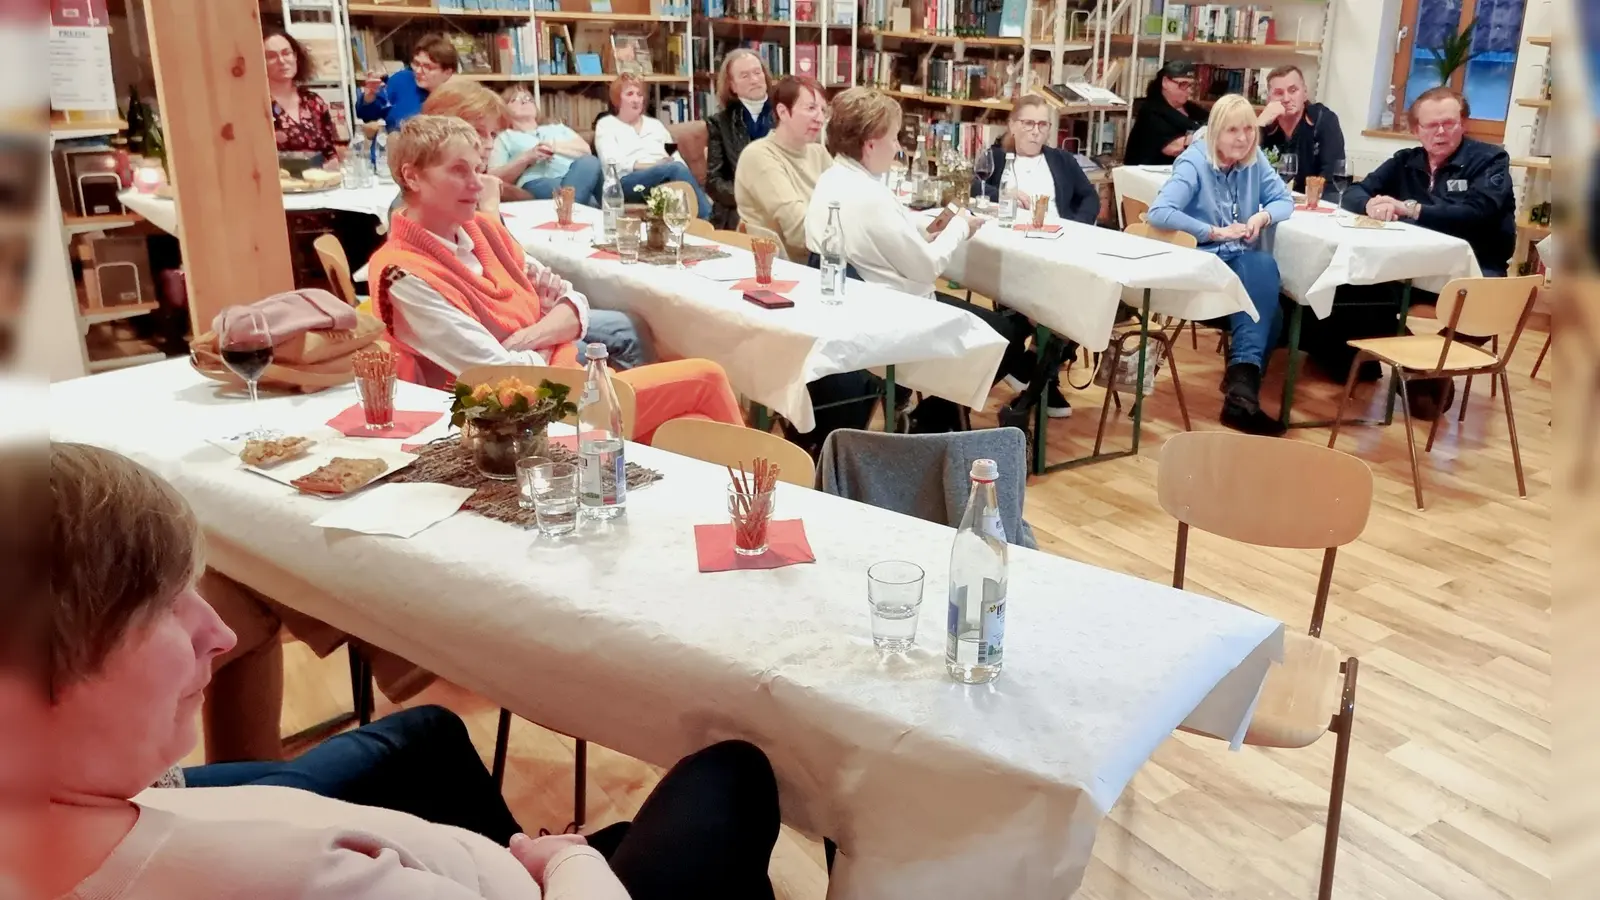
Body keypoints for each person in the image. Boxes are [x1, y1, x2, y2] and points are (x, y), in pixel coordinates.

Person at [34, 441, 785, 900]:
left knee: (427, 730)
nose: (220, 632)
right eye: (166, 607)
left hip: (451, 857)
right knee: (733, 774)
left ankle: (573, 845)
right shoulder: (281, 878)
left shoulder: (39, 804)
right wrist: (565, 866)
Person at [371, 116, 742, 444]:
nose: (479, 184)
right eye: (459, 171)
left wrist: (528, 339)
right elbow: (499, 376)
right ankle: (777, 508)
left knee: (690, 422)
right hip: (510, 425)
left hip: (563, 387)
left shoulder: (482, 231)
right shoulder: (402, 274)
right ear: (411, 176)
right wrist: (551, 331)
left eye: (478, 168)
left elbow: (572, 300)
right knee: (706, 378)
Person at [804, 87, 1033, 433]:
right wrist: (957, 229)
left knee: (998, 328)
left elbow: (885, 236)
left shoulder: (832, 179)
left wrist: (933, 226)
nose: (898, 147)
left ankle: (924, 415)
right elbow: (927, 267)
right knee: (1007, 337)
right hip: (895, 315)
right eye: (894, 138)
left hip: (859, 304)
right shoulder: (869, 196)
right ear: (870, 144)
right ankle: (932, 419)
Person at [419, 82, 651, 369]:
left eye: (492, 134)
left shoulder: (474, 195)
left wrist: (539, 317)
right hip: (501, 346)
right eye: (478, 132)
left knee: (625, 322)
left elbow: (522, 271)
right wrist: (491, 212)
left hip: (521, 321)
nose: (488, 144)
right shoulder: (434, 212)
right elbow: (479, 320)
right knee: (625, 330)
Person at [1331, 85, 1517, 418]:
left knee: (1487, 305)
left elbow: (1480, 211)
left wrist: (1411, 209)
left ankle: (1427, 370)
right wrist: (1372, 204)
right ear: (1417, 130)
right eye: (1432, 126)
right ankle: (1419, 371)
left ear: (1463, 123)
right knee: (1352, 287)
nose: (1441, 132)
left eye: (1450, 123)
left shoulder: (1491, 159)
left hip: (1475, 267)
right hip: (1410, 268)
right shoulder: (1405, 161)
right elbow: (1353, 194)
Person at [1147, 94, 1293, 437]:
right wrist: (1213, 230)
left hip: (1234, 260)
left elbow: (1283, 200)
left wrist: (1262, 216)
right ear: (1214, 133)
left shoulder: (1253, 159)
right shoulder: (1194, 162)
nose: (1242, 138)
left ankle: (1242, 396)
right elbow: (1160, 212)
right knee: (1263, 270)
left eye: (1247, 129)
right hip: (1201, 260)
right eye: (1232, 130)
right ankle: (1241, 392)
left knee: (1274, 306)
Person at [973, 93, 1102, 418]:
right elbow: (974, 188)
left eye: (1043, 124)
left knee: (1091, 299)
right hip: (1015, 248)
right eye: (1028, 123)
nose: (1036, 131)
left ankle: (1033, 367)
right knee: (1063, 301)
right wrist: (1003, 193)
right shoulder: (996, 157)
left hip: (1062, 243)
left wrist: (1076, 227)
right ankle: (1042, 376)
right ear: (1013, 124)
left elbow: (1090, 197)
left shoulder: (1062, 160)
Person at [733, 74, 832, 262]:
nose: (820, 118)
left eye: (823, 110)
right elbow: (798, 231)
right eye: (811, 108)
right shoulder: (758, 156)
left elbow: (844, 206)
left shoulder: (818, 153)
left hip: (821, 251)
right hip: (783, 264)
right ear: (783, 112)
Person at [594, 74, 713, 220]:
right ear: (617, 99)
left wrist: (674, 170)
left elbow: (675, 157)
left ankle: (701, 227)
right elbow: (612, 164)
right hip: (626, 184)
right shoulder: (607, 125)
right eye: (630, 94)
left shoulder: (655, 125)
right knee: (674, 169)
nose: (636, 99)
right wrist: (654, 166)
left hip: (664, 177)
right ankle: (711, 221)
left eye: (639, 94)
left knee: (679, 174)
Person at [489, 85, 603, 207]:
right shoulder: (505, 137)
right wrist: (527, 158)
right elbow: (493, 176)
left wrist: (554, 147)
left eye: (528, 98)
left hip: (575, 175)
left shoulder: (558, 128)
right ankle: (576, 206)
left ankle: (568, 210)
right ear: (504, 109)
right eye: (515, 99)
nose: (524, 100)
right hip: (540, 182)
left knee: (590, 162)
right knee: (583, 198)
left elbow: (585, 150)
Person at [704, 49, 775, 230]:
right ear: (732, 86)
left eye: (757, 73)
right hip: (739, 209)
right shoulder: (719, 123)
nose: (754, 80)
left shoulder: (784, 114)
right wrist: (750, 197)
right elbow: (714, 182)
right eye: (744, 76)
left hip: (781, 203)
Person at [1256, 64, 1345, 193]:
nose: (1286, 99)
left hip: (1313, 204)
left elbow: (1331, 179)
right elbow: (1241, 170)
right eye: (1278, 93)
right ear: (1268, 99)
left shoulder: (1323, 121)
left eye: (1293, 90)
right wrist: (1258, 125)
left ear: (1304, 94)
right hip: (1271, 202)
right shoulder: (1265, 126)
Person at [263, 29, 339, 164]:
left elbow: (330, 151)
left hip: (319, 181)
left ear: (296, 57)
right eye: (271, 56)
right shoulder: (257, 105)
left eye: (286, 53)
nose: (281, 61)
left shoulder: (313, 101)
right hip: (275, 183)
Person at [356, 33, 457, 133]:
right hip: (394, 147)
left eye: (427, 67)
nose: (418, 71)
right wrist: (369, 97)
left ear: (448, 72)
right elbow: (366, 115)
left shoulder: (457, 98)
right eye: (416, 63)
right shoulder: (402, 80)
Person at [1123, 61, 1208, 166]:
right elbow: (1173, 148)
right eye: (1183, 84)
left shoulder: (1193, 109)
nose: (1189, 90)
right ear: (1165, 82)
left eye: (1192, 85)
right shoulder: (1150, 111)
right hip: (1151, 175)